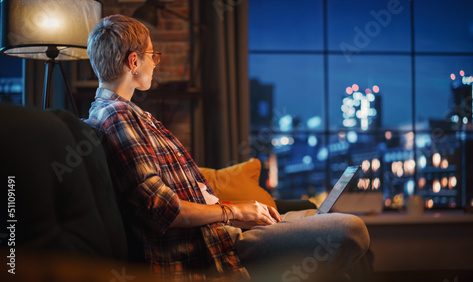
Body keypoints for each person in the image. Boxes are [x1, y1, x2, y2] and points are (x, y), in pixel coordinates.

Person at [85, 14, 372, 281]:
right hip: (215, 244)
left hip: (224, 229)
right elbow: (163, 209)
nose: (155, 62)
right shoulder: (117, 116)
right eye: (152, 55)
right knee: (351, 229)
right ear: (134, 62)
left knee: (317, 216)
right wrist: (234, 211)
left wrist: (243, 213)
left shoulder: (130, 113)